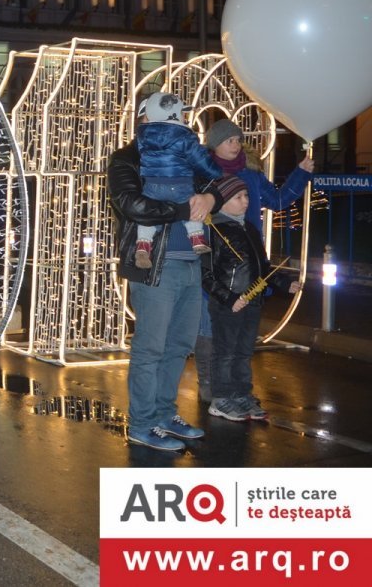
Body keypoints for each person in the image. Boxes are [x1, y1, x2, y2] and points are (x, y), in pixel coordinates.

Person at [107, 100, 222, 453]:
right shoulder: (126, 158)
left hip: (191, 262)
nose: (178, 122)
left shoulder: (184, 149)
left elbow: (215, 180)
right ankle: (142, 424)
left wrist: (210, 198)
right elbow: (131, 204)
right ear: (143, 119)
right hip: (153, 265)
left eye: (181, 117)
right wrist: (183, 208)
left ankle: (164, 415)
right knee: (151, 348)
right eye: (170, 116)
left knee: (179, 347)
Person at [192, 118, 314, 400]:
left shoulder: (252, 175)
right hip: (216, 258)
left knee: (243, 331)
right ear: (214, 145)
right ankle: (210, 385)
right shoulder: (202, 174)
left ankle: (235, 390)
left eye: (237, 140)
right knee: (210, 325)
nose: (235, 145)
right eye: (228, 141)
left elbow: (279, 200)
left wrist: (301, 173)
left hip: (248, 261)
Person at [201, 176, 301, 422]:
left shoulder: (249, 228)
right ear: (222, 201)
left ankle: (241, 393)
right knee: (225, 352)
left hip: (253, 301)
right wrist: (229, 298)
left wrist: (284, 283)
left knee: (244, 352)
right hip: (229, 305)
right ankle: (221, 398)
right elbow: (206, 274)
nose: (246, 202)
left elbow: (262, 267)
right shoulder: (214, 231)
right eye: (239, 197)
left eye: (246, 196)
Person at [132, 92, 222, 268]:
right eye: (183, 113)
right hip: (180, 183)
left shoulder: (143, 137)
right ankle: (197, 238)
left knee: (146, 219)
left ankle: (143, 245)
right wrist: (215, 172)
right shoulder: (185, 136)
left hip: (153, 184)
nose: (185, 117)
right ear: (174, 114)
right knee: (192, 208)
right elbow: (200, 160)